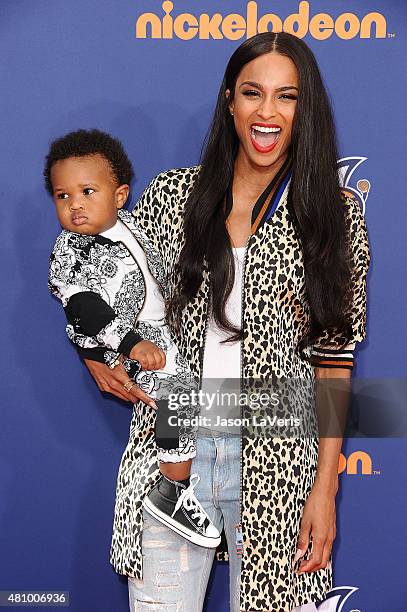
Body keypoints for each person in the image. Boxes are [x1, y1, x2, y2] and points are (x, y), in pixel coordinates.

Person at [79, 32, 370, 612]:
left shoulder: (335, 216)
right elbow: (105, 278)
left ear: (304, 107)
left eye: (286, 96)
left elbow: (334, 360)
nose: (268, 112)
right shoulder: (173, 196)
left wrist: (325, 487)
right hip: (171, 456)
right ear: (229, 101)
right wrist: (94, 348)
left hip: (277, 463)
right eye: (252, 93)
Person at [45, 128, 221, 549]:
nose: (76, 206)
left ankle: (189, 486)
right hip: (123, 346)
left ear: (120, 195)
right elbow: (86, 308)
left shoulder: (135, 225)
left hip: (162, 334)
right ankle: (171, 491)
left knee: (193, 397)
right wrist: (128, 345)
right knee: (179, 393)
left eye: (87, 191)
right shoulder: (69, 253)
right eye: (62, 196)